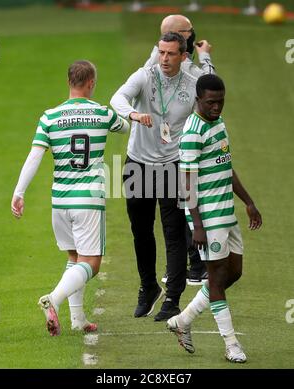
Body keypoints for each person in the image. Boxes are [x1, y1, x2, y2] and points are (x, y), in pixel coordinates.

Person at [11, 60, 129, 336]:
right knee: (91, 264)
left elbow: (35, 156)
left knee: (75, 258)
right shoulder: (102, 114)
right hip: (87, 201)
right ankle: (54, 298)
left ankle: (78, 319)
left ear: (69, 82)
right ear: (91, 83)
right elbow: (125, 126)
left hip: (60, 202)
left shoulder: (49, 117)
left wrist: (19, 192)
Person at [167, 74, 262, 362]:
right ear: (198, 100)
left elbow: (226, 166)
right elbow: (187, 182)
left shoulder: (218, 124)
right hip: (207, 217)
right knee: (217, 278)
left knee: (234, 272)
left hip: (227, 214)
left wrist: (248, 202)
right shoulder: (193, 132)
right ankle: (232, 345)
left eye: (221, 101)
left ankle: (183, 320)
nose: (217, 107)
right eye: (211, 102)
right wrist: (196, 224)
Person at [110, 32, 198, 321]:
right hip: (138, 164)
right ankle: (148, 286)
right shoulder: (145, 76)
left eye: (171, 54)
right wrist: (133, 115)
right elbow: (117, 98)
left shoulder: (192, 84)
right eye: (161, 52)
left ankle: (172, 297)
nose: (164, 59)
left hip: (174, 165)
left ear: (183, 56)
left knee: (173, 233)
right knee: (141, 230)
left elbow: (206, 116)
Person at [145, 14, 215, 284]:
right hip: (183, 148)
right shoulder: (183, 66)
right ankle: (196, 267)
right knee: (187, 208)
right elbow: (211, 85)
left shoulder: (156, 61)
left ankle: (185, 267)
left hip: (166, 148)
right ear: (182, 36)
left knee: (178, 210)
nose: (193, 32)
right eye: (189, 31)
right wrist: (206, 57)